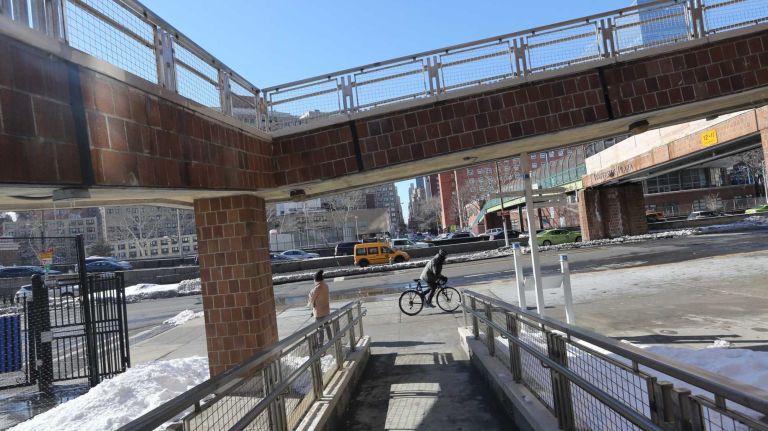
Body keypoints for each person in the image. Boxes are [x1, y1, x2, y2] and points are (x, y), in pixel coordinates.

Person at [308, 270, 333, 346]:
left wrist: (310, 294)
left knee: (320, 328)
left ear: (316, 279)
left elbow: (311, 300)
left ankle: (320, 344)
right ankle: (331, 340)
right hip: (326, 310)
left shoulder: (317, 288)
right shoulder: (326, 286)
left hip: (318, 312)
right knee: (327, 325)